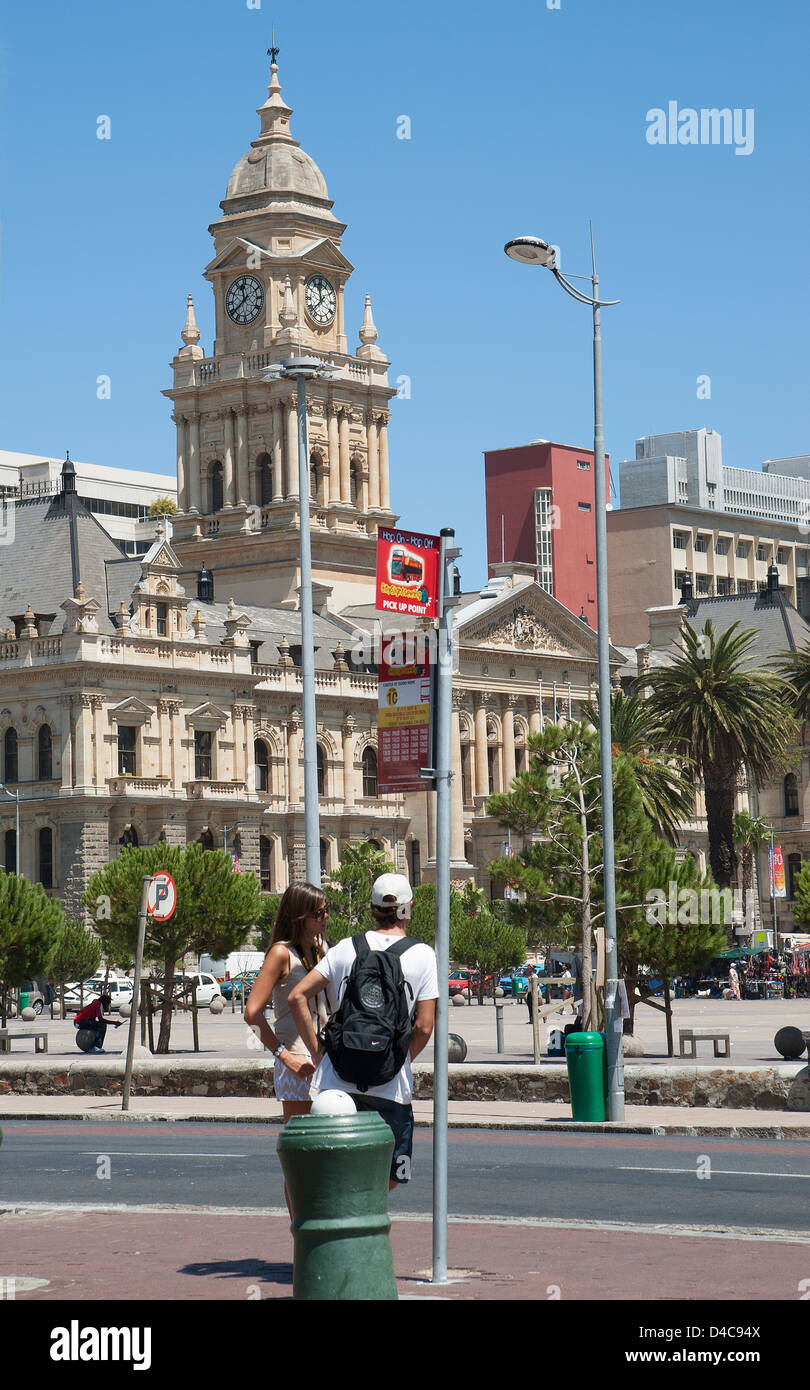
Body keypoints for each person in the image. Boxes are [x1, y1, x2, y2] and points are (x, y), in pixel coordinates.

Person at [288, 872, 438, 1192]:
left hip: (336, 1085)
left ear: (372, 909)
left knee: (332, 1175)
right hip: (391, 1089)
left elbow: (297, 996)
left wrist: (319, 1052)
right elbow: (424, 1026)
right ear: (408, 909)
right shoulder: (423, 955)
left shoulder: (344, 948)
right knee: (390, 1177)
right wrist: (397, 1059)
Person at [244, 882, 330, 1123]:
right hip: (298, 1060)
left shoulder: (320, 948)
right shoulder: (281, 953)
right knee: (302, 1145)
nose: (325, 917)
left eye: (326, 910)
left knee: (327, 1145)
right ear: (299, 916)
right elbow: (252, 1014)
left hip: (324, 1057)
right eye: (318, 913)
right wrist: (285, 1056)